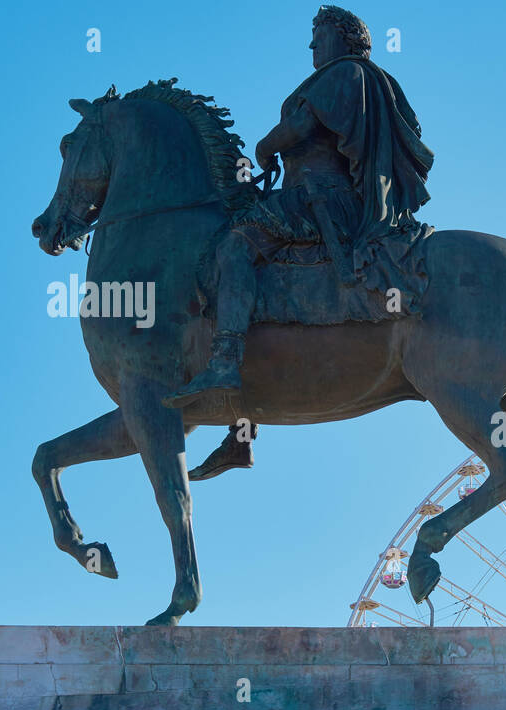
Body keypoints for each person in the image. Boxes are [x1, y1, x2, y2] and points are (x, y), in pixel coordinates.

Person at [165, 4, 434, 410]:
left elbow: (303, 126)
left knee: (234, 248)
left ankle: (224, 360)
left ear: (345, 38)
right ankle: (243, 423)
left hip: (321, 200)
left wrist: (266, 145)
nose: (312, 44)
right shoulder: (358, 78)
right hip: (307, 195)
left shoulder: (346, 72)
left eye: (319, 34)